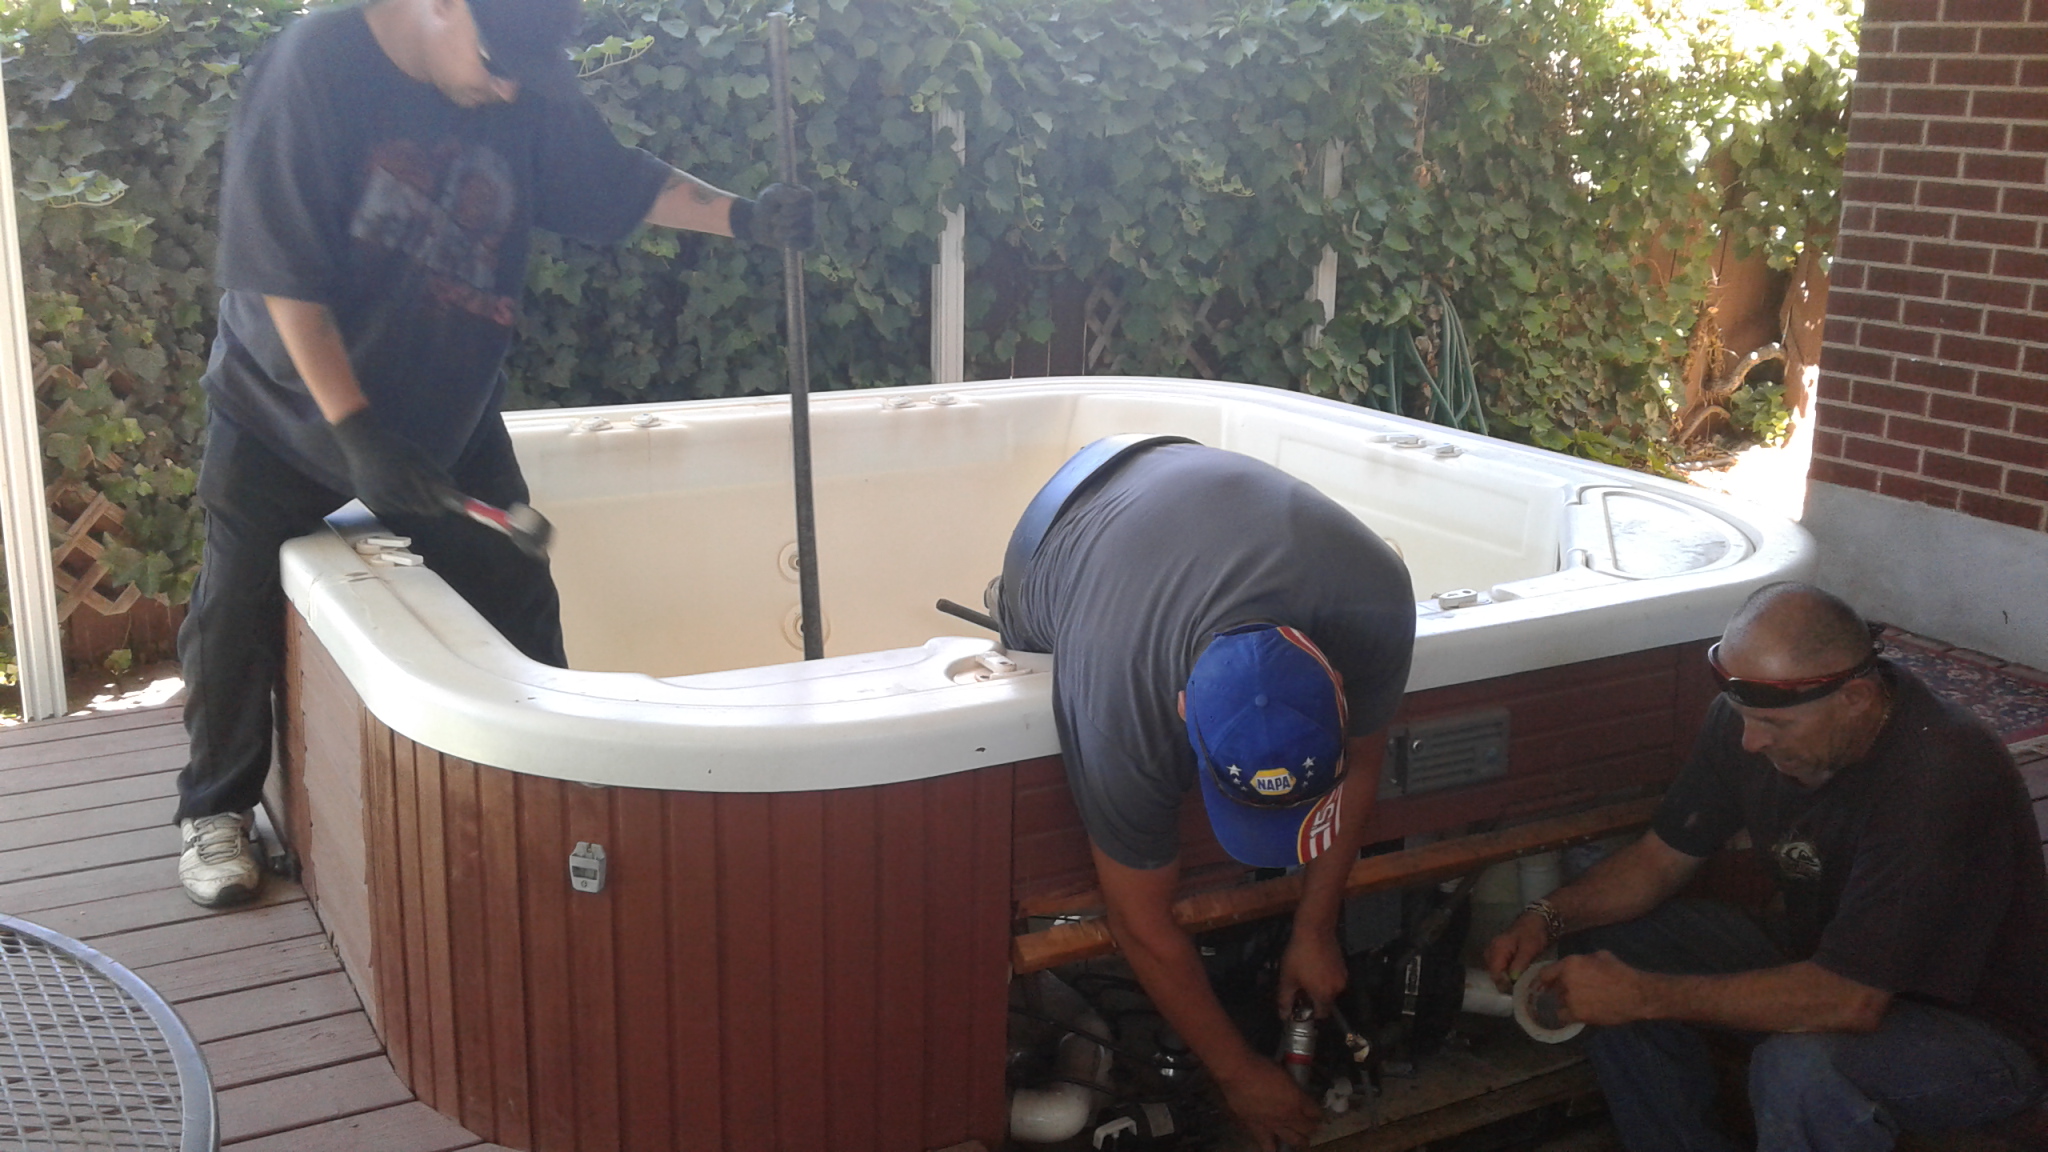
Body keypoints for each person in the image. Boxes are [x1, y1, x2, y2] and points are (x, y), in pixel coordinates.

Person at [173, 0, 814, 907]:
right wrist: (357, 432)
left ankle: (552, 780)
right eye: (495, 63)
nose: (508, 86)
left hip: (445, 412)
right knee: (234, 604)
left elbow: (616, 180)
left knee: (515, 589)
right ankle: (216, 809)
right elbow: (280, 273)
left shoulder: (521, 73)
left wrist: (745, 218)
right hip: (283, 409)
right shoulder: (319, 64)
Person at [1485, 582, 2047, 1152]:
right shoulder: (1748, 722)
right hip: (1824, 962)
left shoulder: (1937, 775)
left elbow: (1849, 1000)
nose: (1750, 741)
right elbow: (1659, 861)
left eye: (1776, 727)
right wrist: (1548, 916)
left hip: (1980, 1035)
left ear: (1855, 699)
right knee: (1610, 944)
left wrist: (1644, 995)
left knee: (1798, 1069)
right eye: (1743, 717)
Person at [996, 438, 1416, 1151]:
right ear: (1183, 714)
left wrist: (1314, 928)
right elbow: (1139, 922)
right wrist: (1238, 1074)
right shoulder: (1118, 703)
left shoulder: (1374, 594)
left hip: (1182, 484)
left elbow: (1365, 761)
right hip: (1056, 535)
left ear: (1338, 689)